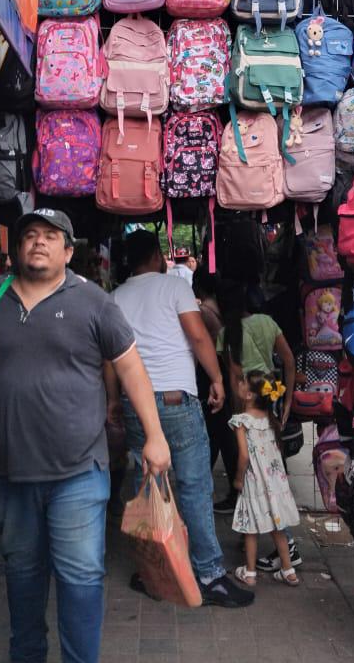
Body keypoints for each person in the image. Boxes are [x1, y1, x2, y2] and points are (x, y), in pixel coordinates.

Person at [0, 208, 170, 663]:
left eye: (50, 236)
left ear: (68, 250)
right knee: (22, 575)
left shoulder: (94, 302)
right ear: (16, 248)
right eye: (29, 235)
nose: (38, 242)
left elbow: (131, 368)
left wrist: (155, 436)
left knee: (80, 577)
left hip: (78, 472)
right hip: (8, 471)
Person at [109, 230, 254, 608]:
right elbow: (200, 338)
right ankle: (208, 575)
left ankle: (153, 570)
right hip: (176, 400)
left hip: (135, 403)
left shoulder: (114, 298)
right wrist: (219, 379)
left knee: (151, 488)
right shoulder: (173, 288)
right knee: (193, 486)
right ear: (157, 256)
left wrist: (113, 399)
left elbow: (109, 358)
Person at [216, 281, 300, 570]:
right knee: (274, 471)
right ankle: (280, 543)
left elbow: (234, 376)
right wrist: (288, 400)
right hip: (271, 398)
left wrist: (238, 411)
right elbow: (288, 360)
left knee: (252, 474)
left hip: (248, 404)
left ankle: (267, 538)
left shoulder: (227, 333)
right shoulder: (267, 322)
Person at [230, 370, 301, 588]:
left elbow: (243, 455)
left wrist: (238, 479)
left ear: (250, 395)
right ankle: (289, 571)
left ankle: (250, 573)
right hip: (275, 482)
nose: (239, 384)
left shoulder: (241, 421)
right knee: (277, 526)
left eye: (243, 382)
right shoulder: (272, 420)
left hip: (254, 480)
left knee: (250, 527)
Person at [193, 271, 239, 513]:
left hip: (212, 378)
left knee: (214, 435)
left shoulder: (203, 313)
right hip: (224, 377)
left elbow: (200, 345)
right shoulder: (220, 309)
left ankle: (207, 488)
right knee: (222, 435)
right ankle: (232, 489)